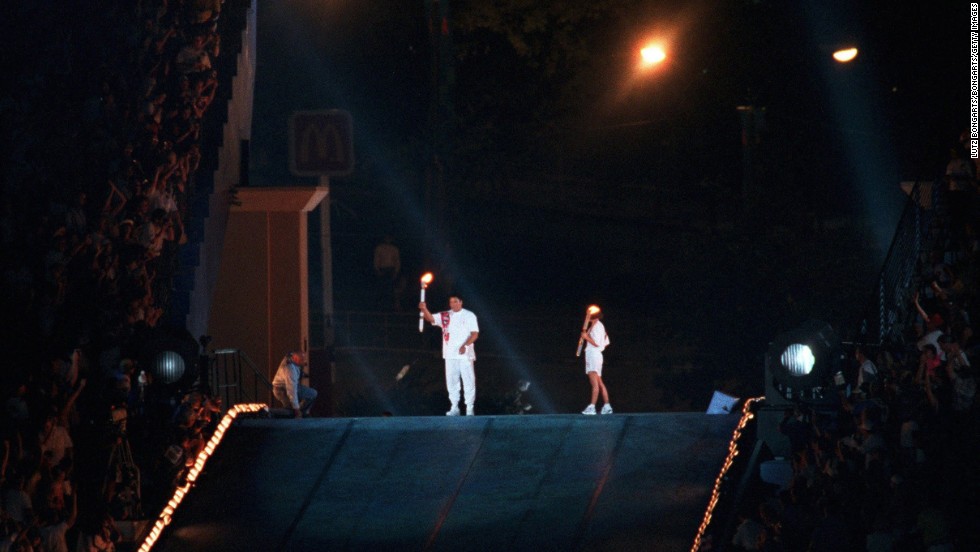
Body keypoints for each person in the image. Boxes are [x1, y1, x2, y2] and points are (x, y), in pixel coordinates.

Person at [419, 295, 479, 416]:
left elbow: (474, 334)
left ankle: (469, 408)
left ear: (461, 302)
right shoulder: (446, 315)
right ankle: (454, 407)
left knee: (468, 381)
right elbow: (431, 319)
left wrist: (465, 345)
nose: (453, 304)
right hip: (450, 354)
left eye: (455, 302)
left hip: (465, 355)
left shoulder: (469, 315)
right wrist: (424, 309)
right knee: (452, 382)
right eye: (451, 302)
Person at [580, 310, 612, 415]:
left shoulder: (598, 326)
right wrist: (586, 336)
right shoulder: (595, 326)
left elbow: (598, 343)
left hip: (593, 355)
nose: (587, 318)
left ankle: (592, 407)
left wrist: (586, 338)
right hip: (595, 355)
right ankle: (607, 406)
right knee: (599, 382)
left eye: (589, 316)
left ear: (594, 317)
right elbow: (606, 342)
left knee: (594, 383)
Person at [272, 352, 317, 418]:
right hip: (281, 390)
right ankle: (270, 412)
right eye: (302, 360)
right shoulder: (290, 370)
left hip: (284, 386)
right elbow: (291, 390)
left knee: (312, 393)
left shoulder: (290, 357)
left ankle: (301, 413)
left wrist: (303, 374)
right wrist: (296, 409)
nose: (304, 362)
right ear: (295, 359)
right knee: (291, 411)